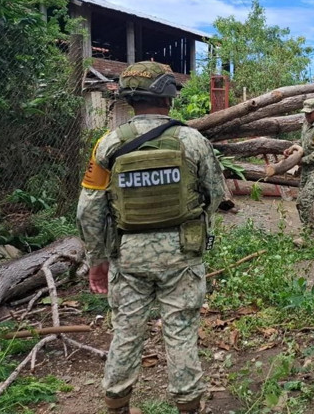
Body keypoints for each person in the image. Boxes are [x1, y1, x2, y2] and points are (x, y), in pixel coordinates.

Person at [77, 62, 226, 414]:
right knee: (181, 330)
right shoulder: (192, 140)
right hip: (182, 253)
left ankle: (116, 403)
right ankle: (188, 404)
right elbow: (217, 194)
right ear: (169, 97)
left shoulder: (108, 143)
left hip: (128, 255)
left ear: (129, 99)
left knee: (126, 331)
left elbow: (88, 211)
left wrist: (96, 260)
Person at [284, 98, 314, 240]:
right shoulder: (305, 124)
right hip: (306, 170)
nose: (307, 116)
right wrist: (292, 148)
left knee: (305, 200)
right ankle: (306, 232)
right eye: (305, 113)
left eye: (310, 113)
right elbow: (303, 142)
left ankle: (308, 237)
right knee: (299, 202)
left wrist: (300, 161)